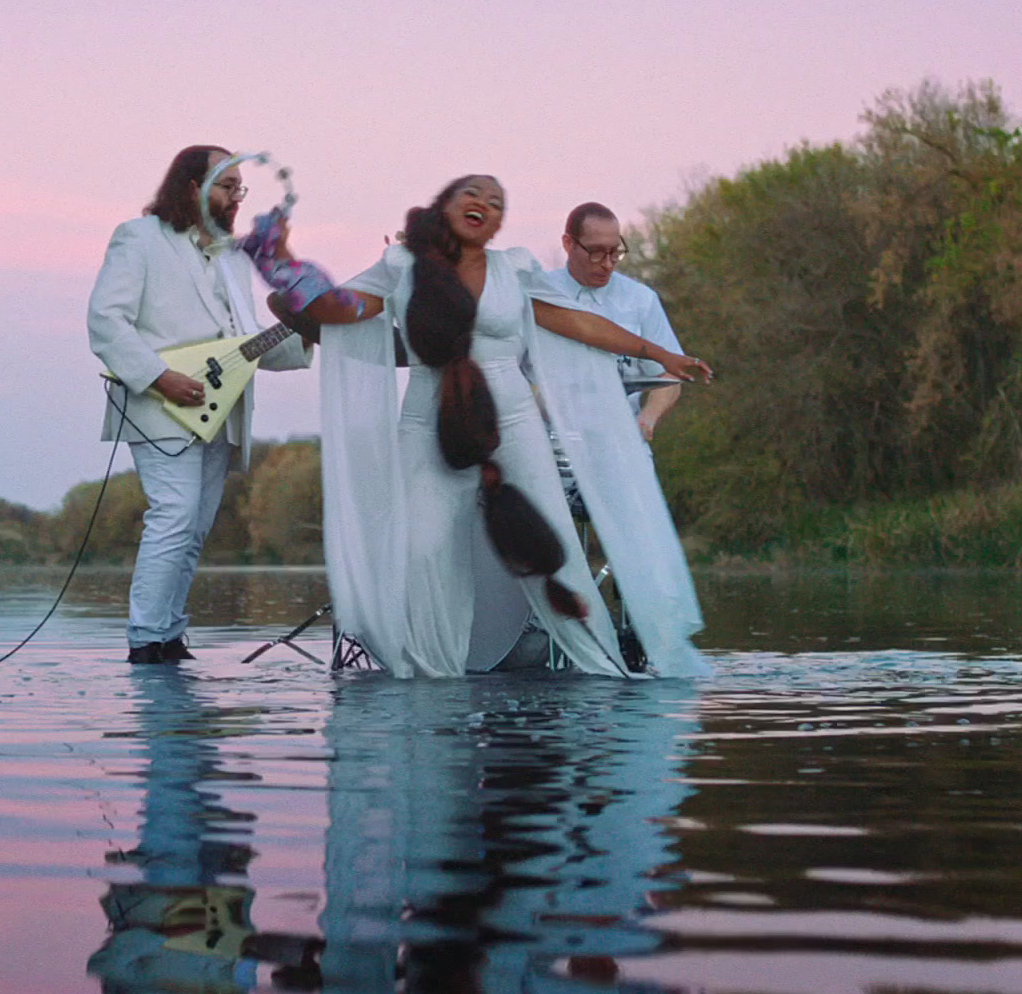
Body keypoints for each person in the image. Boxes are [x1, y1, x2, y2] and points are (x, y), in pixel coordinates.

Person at [244, 175, 711, 679]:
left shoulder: (516, 269)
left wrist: (658, 353)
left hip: (511, 417)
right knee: (424, 549)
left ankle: (601, 670)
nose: (484, 204)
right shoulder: (401, 267)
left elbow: (578, 323)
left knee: (554, 547)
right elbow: (340, 308)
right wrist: (279, 263)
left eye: (495, 202)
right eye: (472, 195)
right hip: (428, 420)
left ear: (497, 223)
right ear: (443, 207)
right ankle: (431, 675)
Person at [87, 145, 314, 664]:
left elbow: (245, 342)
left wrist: (312, 324)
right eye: (226, 186)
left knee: (195, 527)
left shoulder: (233, 258)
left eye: (240, 188)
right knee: (174, 515)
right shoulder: (139, 237)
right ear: (191, 186)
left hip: (222, 408)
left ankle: (168, 635)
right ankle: (145, 641)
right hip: (158, 403)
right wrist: (160, 378)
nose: (236, 198)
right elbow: (106, 321)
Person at [545, 202, 685, 443]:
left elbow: (670, 374)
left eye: (615, 252)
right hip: (549, 445)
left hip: (623, 443)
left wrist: (648, 417)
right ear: (568, 244)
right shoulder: (538, 294)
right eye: (596, 252)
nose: (608, 263)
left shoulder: (640, 299)